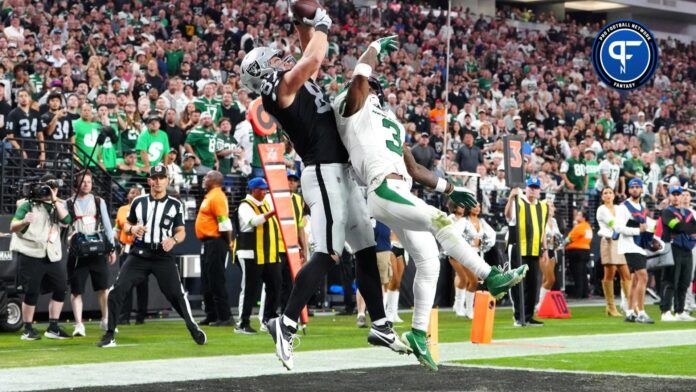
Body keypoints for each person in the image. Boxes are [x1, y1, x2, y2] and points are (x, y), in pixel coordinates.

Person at [332, 35, 528, 370]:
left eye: (378, 89)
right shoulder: (352, 106)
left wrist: (450, 188)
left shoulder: (389, 123)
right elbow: (361, 79)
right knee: (441, 222)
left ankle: (418, 333)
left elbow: (414, 167)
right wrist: (375, 48)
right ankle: (489, 275)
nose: (378, 93)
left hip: (401, 191)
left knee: (429, 261)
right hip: (381, 190)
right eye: (373, 87)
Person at [240, 9, 406, 370]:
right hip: (323, 172)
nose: (279, 57)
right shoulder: (278, 90)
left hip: (340, 172)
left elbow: (306, 55)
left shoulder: (290, 82)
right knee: (328, 251)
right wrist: (323, 23)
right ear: (263, 71)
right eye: (272, 58)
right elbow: (313, 56)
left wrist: (304, 21)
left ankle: (379, 324)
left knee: (364, 249)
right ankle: (284, 323)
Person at [97, 165, 206, 347]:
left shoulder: (175, 204)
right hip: (140, 254)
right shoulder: (138, 202)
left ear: (167, 180)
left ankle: (192, 326)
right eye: (154, 178)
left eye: (161, 177)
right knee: (117, 290)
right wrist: (133, 229)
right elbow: (126, 225)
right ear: (149, 181)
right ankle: (110, 334)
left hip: (163, 255)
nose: (157, 181)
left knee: (176, 294)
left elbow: (181, 232)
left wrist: (173, 240)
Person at [9, 174, 71, 340]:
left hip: (52, 254)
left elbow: (67, 219)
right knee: (31, 292)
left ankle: (53, 327)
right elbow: (13, 226)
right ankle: (28, 329)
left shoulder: (57, 204)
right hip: (31, 253)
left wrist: (54, 199)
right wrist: (24, 221)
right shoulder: (26, 204)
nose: (47, 190)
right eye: (46, 187)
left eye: (52, 187)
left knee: (61, 288)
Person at [65, 171, 116, 337]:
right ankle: (79, 324)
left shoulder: (98, 201)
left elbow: (108, 225)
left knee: (103, 288)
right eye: (83, 182)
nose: (87, 184)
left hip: (97, 250)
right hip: (78, 252)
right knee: (76, 290)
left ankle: (106, 319)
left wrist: (112, 248)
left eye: (89, 181)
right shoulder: (68, 203)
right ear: (76, 184)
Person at [235, 177, 282, 334]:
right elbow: (254, 221)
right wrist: (272, 213)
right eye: (261, 189)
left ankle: (268, 319)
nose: (264, 191)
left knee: (275, 286)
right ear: (252, 190)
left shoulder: (265, 203)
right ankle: (243, 322)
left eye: (265, 189)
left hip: (269, 253)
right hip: (250, 253)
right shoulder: (245, 205)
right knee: (249, 289)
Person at [505, 177, 549, 327]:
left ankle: (529, 316)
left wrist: (545, 249)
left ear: (539, 190)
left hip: (535, 249)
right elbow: (508, 216)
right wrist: (511, 198)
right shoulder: (519, 202)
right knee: (518, 283)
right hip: (519, 248)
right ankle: (519, 316)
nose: (533, 190)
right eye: (531, 187)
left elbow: (542, 230)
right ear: (526, 188)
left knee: (532, 284)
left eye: (536, 187)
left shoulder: (543, 207)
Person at [196, 171, 235, 327]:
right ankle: (211, 314)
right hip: (207, 243)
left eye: (206, 177)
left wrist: (228, 242)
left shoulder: (217, 196)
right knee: (207, 280)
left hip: (216, 242)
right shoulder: (210, 196)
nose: (204, 179)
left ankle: (225, 317)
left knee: (216, 280)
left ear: (215, 181)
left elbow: (224, 222)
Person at [614, 178, 655, 324]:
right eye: (633, 187)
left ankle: (630, 312)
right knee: (643, 277)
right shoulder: (623, 207)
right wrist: (637, 230)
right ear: (629, 190)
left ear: (642, 190)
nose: (635, 189)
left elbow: (648, 225)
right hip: (629, 245)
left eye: (638, 187)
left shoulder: (642, 208)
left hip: (639, 246)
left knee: (636, 279)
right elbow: (618, 228)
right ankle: (641, 312)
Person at [659, 186, 696, 322]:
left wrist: (684, 228)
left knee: (684, 281)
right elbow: (677, 226)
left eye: (678, 194)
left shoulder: (688, 213)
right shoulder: (666, 212)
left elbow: (687, 227)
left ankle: (680, 311)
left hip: (687, 250)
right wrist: (688, 229)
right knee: (670, 280)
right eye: (673, 194)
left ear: (681, 197)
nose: (675, 197)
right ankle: (665, 311)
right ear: (669, 196)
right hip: (672, 249)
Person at [114, 186, 149, 325]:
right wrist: (117, 242)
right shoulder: (122, 209)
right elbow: (117, 228)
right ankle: (124, 316)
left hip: (140, 249)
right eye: (131, 192)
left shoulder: (145, 208)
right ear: (127, 195)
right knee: (124, 282)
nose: (133, 194)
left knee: (142, 284)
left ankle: (141, 316)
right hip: (126, 249)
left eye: (136, 193)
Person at [596, 187, 631, 317]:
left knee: (626, 274)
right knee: (610, 274)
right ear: (602, 197)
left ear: (614, 195)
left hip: (620, 241)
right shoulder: (601, 209)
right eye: (605, 193)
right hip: (609, 242)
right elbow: (614, 224)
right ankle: (610, 307)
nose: (608, 195)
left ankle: (631, 306)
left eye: (610, 192)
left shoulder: (619, 208)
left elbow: (625, 222)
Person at [536, 201, 563, 313]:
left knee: (546, 279)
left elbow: (557, 236)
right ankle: (540, 305)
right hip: (543, 251)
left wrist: (558, 243)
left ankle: (541, 305)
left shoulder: (554, 221)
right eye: (549, 206)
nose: (552, 208)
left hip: (552, 250)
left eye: (552, 206)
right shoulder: (540, 220)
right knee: (551, 279)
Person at [565, 210, 593, 299]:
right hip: (585, 251)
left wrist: (563, 244)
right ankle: (585, 292)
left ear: (583, 218)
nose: (577, 216)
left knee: (577, 274)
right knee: (583, 273)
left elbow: (570, 238)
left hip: (576, 252)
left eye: (579, 215)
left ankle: (578, 294)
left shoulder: (579, 227)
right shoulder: (588, 227)